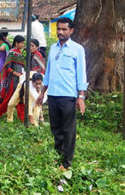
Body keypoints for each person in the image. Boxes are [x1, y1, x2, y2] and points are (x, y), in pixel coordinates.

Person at [37, 17, 87, 171]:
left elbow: (81, 74)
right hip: (52, 94)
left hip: (68, 95)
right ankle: (58, 155)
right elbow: (48, 72)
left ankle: (67, 162)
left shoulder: (77, 49)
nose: (60, 32)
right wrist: (42, 93)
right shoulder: (53, 48)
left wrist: (81, 97)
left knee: (68, 129)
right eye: (59, 29)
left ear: (71, 31)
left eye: (64, 29)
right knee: (56, 128)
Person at [0, 35, 25, 120]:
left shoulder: (20, 53)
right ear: (16, 43)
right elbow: (7, 68)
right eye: (22, 43)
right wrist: (16, 74)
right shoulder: (12, 53)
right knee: (8, 98)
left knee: (20, 98)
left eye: (23, 43)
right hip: (13, 79)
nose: (23, 45)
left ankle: (22, 118)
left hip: (20, 79)